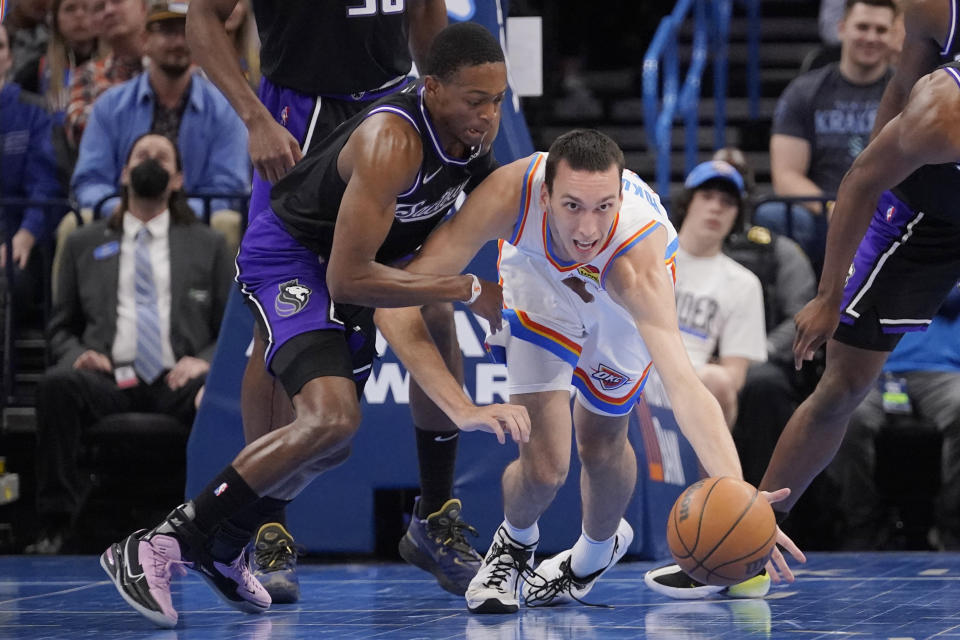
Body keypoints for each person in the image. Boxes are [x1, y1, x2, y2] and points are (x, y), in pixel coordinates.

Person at [100, 22, 532, 629]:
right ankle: (161, 545)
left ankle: (226, 549)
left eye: (497, 100)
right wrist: (465, 288)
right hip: (293, 259)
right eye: (474, 101)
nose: (488, 116)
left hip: (352, 262)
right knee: (331, 417)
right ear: (431, 88)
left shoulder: (469, 137)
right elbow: (350, 282)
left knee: (333, 444)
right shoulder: (392, 141)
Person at [374, 130, 805, 614]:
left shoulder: (637, 270)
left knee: (601, 443)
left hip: (616, 306)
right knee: (545, 466)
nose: (587, 227)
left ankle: (592, 554)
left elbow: (685, 384)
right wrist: (462, 400)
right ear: (544, 196)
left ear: (620, 198)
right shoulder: (506, 195)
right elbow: (395, 302)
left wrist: (741, 501)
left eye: (603, 207)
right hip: (538, 282)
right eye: (573, 205)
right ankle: (513, 547)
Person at [649, 56, 960, 600]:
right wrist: (827, 296)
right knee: (842, 387)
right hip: (921, 223)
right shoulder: (943, 111)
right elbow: (861, 177)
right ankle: (748, 540)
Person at [185, 0, 462, 602]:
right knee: (274, 333)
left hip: (394, 106)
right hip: (297, 117)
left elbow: (427, 17)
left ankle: (435, 515)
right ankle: (263, 525)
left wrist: (440, 100)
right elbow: (202, 18)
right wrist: (253, 116)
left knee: (436, 310)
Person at [29, 133, 233, 554]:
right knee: (55, 386)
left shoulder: (208, 244)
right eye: (142, 154)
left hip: (178, 378)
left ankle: (214, 526)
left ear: (177, 179)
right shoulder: (83, 242)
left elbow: (229, 330)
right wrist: (76, 355)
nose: (151, 160)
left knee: (220, 393)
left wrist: (205, 363)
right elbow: (60, 327)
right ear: (124, 173)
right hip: (108, 377)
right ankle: (56, 526)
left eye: (162, 156)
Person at [70, 2, 248, 236]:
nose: (178, 42)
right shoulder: (110, 105)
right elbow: (89, 180)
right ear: (145, 40)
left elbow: (229, 187)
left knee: (227, 222)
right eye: (167, 31)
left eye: (185, 32)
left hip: (195, 227)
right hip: (120, 223)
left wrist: (170, 213)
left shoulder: (224, 107)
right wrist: (128, 210)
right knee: (72, 224)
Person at [761, 0, 895, 268]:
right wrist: (836, 207)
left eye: (880, 30)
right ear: (842, 28)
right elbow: (786, 176)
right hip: (822, 215)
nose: (871, 37)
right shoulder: (804, 91)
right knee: (771, 215)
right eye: (862, 27)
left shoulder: (907, 93)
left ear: (892, 36)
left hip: (888, 215)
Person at [715, 147, 819, 487]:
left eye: (729, 193)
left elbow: (801, 317)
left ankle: (763, 502)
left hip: (761, 360)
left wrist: (754, 354)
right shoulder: (679, 249)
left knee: (763, 385)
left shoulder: (780, 250)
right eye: (710, 193)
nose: (717, 204)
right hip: (694, 357)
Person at [829, 283, 960, 550]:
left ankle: (952, 525)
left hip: (946, 372)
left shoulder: (944, 251)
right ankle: (862, 523)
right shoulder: (879, 248)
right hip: (875, 370)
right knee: (847, 414)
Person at [647, 160, 767, 430]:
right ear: (687, 202)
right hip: (634, 366)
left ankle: (714, 473)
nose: (716, 208)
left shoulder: (744, 283)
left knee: (720, 381)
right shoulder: (647, 255)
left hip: (692, 380)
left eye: (727, 202)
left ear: (737, 216)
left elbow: (733, 378)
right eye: (707, 196)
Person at [0, 22, 65, 328]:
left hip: (17, 241)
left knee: (10, 283)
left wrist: (24, 237)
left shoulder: (34, 112)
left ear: (9, 57)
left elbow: (45, 185)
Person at [64, 0, 147, 149]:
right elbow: (83, 133)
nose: (108, 10)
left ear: (143, 6)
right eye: (99, 7)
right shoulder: (87, 75)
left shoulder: (175, 63)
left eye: (117, 1)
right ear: (94, 24)